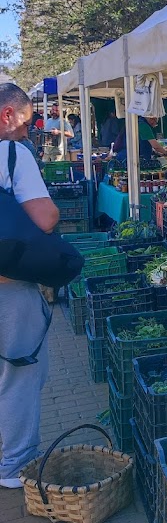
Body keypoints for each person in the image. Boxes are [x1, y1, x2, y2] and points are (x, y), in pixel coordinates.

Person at [0, 83, 59, 488]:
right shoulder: (11, 153)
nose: (28, 128)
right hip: (8, 284)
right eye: (24, 119)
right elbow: (46, 217)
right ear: (7, 115)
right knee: (18, 372)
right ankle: (14, 465)